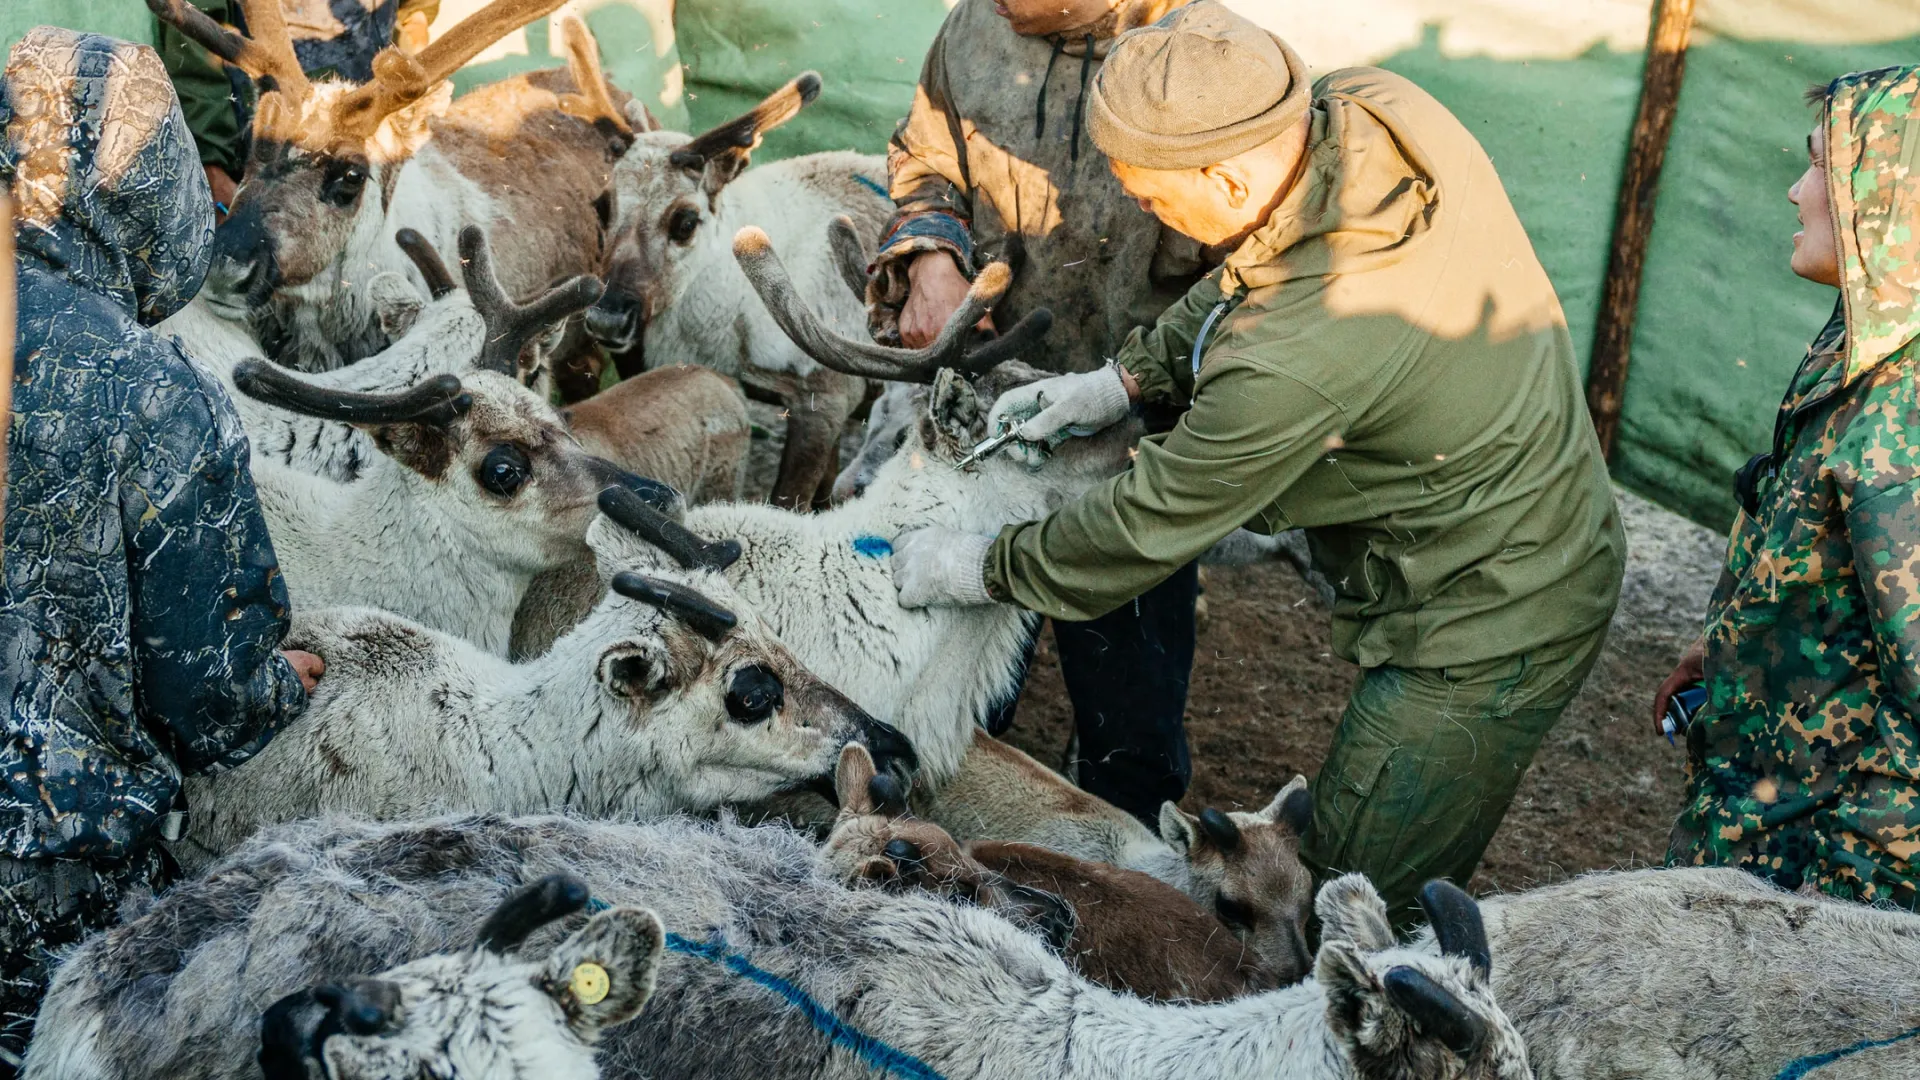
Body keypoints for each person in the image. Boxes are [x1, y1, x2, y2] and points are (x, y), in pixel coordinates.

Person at [890, 1, 1625, 923]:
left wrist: (983, 566)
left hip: (1492, 606)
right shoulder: (1366, 109)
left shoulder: (1297, 355)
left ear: (1225, 187)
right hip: (1499, 515)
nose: (1149, 214)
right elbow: (1254, 265)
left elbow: (1149, 520)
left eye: (1153, 198)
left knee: (1340, 911)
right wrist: (1123, 378)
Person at [0, 28, 319, 1070]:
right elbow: (211, 698)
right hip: (52, 887)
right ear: (155, 183)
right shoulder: (154, 391)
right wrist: (282, 681)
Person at [873, 0, 1213, 825]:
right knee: (949, 699)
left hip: (1132, 451)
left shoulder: (1214, 63)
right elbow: (926, 159)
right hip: (986, 416)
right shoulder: (973, 29)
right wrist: (930, 255)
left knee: (1130, 737)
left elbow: (1259, 268)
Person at [1661, 65, 1920, 908]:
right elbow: (1804, 537)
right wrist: (1727, 648)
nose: (1794, 190)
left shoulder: (1906, 423)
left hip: (1804, 889)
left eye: (1820, 168)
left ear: (1889, 203)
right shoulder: (1865, 337)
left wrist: (1834, 916)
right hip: (1753, 823)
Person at [155, 0, 440, 216]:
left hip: (365, 156)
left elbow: (414, 13)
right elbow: (196, 41)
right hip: (262, 154)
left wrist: (414, 77)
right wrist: (211, 165)